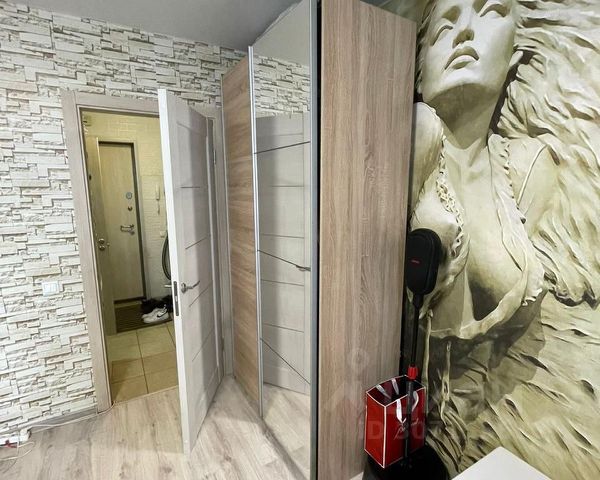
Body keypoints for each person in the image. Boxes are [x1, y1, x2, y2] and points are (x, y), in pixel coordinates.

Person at [410, 0, 600, 475]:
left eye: (489, 12)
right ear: (419, 71)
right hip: (391, 411)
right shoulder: (416, 135)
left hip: (462, 435)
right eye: (444, 28)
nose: (464, 33)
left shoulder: (528, 167)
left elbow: (488, 352)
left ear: (514, 53)